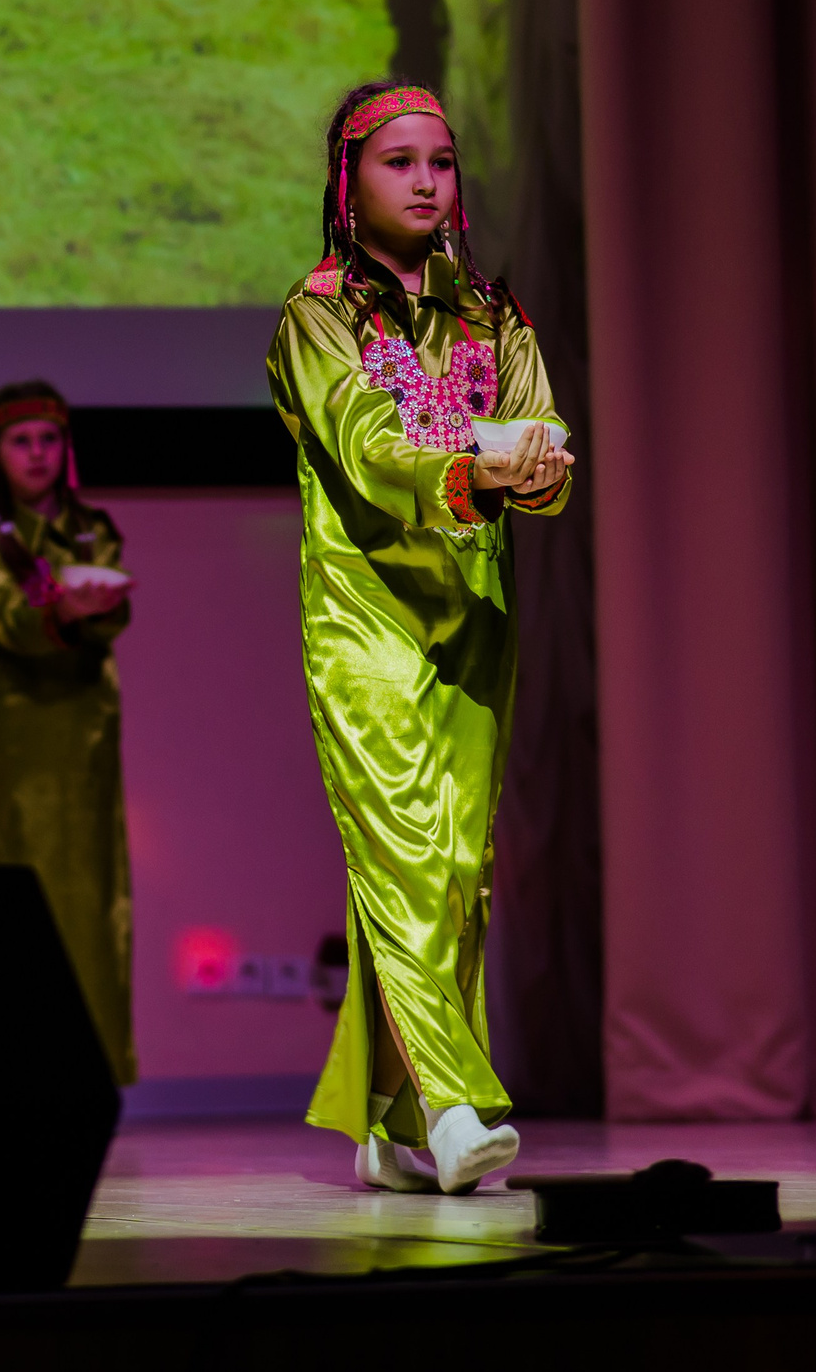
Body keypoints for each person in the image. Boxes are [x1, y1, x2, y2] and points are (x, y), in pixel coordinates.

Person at [267, 80, 574, 1196]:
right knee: (399, 855)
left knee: (452, 872)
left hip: (475, 619)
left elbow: (538, 434)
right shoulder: (315, 316)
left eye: (440, 162)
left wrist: (533, 470)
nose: (426, 181)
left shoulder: (496, 313)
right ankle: (452, 1104)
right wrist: (466, 468)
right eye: (399, 161)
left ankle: (382, 1118)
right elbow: (367, 448)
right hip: (365, 618)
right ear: (348, 181)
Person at [0, 382, 137, 1088]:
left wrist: (90, 606)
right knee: (19, 898)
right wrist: (62, 607)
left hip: (86, 734)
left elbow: (114, 614)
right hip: (18, 741)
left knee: (96, 902)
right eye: (21, 439)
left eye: (49, 438)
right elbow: (7, 617)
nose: (37, 453)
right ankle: (20, 1071)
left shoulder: (94, 526)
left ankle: (98, 1069)